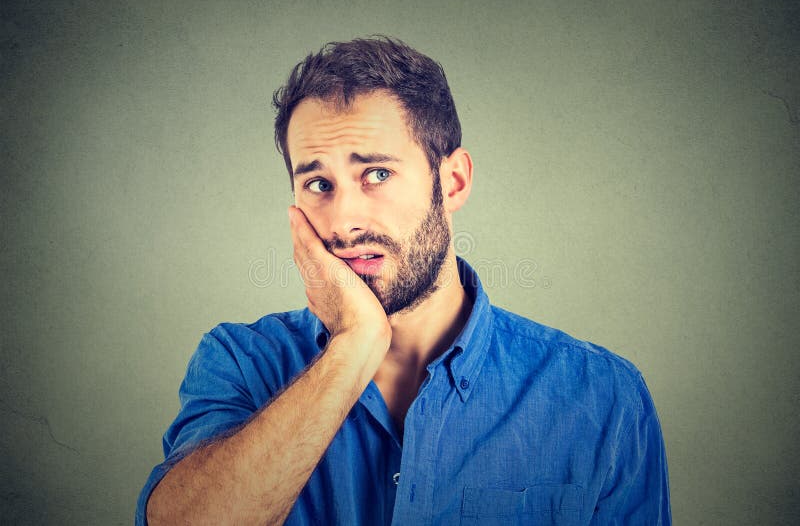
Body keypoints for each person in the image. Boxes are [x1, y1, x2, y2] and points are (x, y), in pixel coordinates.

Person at [137, 37, 671, 525]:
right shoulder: (240, 362)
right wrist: (355, 344)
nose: (344, 221)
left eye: (376, 174)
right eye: (318, 182)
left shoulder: (601, 397)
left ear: (453, 180)